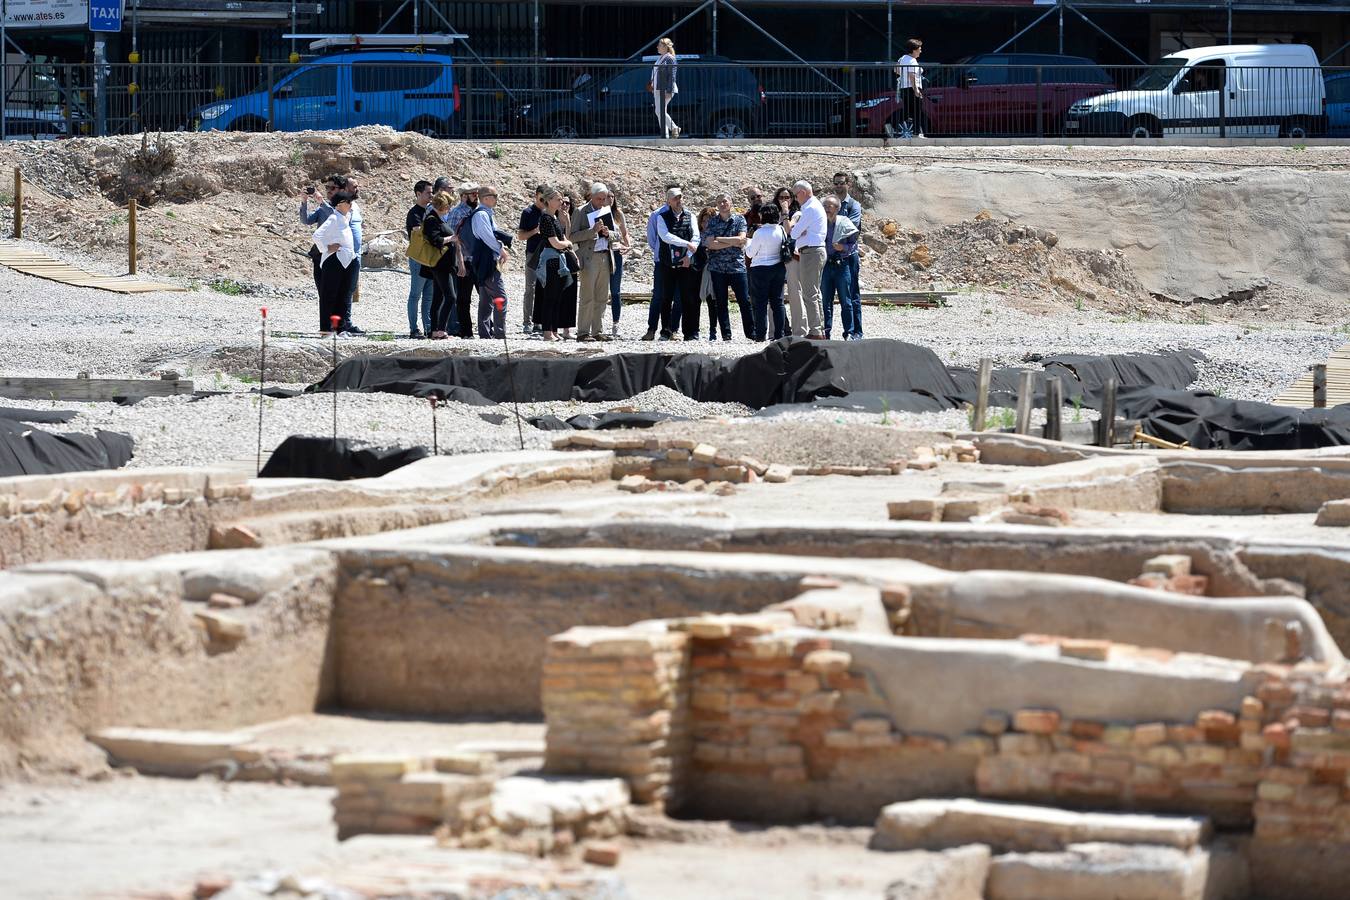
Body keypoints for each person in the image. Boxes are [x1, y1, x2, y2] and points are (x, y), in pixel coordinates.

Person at [570, 181, 617, 342]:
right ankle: (583, 332)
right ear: (592, 196)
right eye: (599, 199)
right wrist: (592, 232)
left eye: (604, 199)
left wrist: (608, 232)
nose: (602, 202)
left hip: (605, 256)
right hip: (589, 258)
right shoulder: (580, 211)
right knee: (587, 296)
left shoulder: (606, 210)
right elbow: (572, 236)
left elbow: (616, 235)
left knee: (602, 297)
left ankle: (597, 330)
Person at [702, 193, 750, 341]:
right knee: (721, 303)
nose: (722, 204)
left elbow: (742, 239)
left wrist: (720, 240)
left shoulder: (739, 219)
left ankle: (751, 333)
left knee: (744, 301)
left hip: (737, 266)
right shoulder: (712, 222)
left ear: (731, 202)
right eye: (719, 202)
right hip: (718, 268)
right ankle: (726, 335)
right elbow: (710, 244)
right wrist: (733, 241)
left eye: (725, 201)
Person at [654, 186, 700, 341]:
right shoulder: (662, 217)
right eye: (674, 198)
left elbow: (696, 237)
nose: (678, 200)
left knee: (688, 297)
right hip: (668, 263)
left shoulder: (690, 216)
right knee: (666, 298)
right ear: (668, 201)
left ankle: (690, 333)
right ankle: (665, 331)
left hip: (686, 263)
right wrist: (686, 244)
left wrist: (688, 255)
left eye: (680, 197)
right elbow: (666, 236)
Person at [534, 188, 578, 342]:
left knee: (557, 297)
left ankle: (553, 330)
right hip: (551, 261)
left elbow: (564, 237)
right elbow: (556, 243)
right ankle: (547, 332)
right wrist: (568, 243)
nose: (562, 202)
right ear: (549, 201)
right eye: (558, 199)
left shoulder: (553, 218)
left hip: (558, 260)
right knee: (550, 297)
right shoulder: (545, 218)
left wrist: (567, 223)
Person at [468, 184, 511, 339]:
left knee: (486, 299)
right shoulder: (481, 215)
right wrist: (500, 249)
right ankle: (500, 333)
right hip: (486, 262)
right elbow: (487, 236)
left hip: (484, 261)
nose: (497, 199)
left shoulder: (486, 214)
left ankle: (485, 333)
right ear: (486, 198)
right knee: (500, 297)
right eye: (495, 196)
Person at [312, 191, 356, 334]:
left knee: (343, 295)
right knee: (329, 295)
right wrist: (327, 247)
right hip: (334, 260)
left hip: (347, 260)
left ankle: (340, 328)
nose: (350, 205)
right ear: (339, 205)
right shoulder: (334, 218)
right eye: (347, 202)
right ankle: (326, 329)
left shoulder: (345, 217)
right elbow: (317, 235)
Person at [744, 203, 788, 342]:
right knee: (778, 302)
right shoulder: (780, 229)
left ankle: (761, 335)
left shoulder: (759, 232)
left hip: (760, 269)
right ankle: (779, 334)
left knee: (760, 303)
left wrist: (748, 241)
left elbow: (750, 254)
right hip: (778, 268)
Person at [790, 179, 827, 340]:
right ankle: (818, 328)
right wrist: (799, 230)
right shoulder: (813, 206)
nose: (795, 199)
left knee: (810, 294)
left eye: (796, 195)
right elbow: (798, 232)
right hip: (813, 251)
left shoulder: (810, 208)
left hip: (811, 252)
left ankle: (816, 331)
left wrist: (797, 228)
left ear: (803, 193)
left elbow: (793, 233)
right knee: (814, 293)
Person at [420, 191, 459, 340]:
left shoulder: (437, 218)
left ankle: (434, 330)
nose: (449, 209)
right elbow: (435, 240)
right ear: (443, 205)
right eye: (449, 205)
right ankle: (441, 329)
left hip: (443, 264)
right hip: (440, 265)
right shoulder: (432, 219)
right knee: (450, 297)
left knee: (438, 297)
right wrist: (452, 238)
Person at [821, 195, 860, 340]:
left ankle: (848, 332)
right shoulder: (820, 223)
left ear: (837, 208)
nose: (827, 209)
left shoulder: (845, 222)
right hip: (826, 265)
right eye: (825, 206)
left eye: (830, 206)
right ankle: (826, 332)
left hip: (842, 264)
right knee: (826, 301)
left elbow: (853, 243)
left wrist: (842, 247)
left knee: (846, 301)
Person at [300, 174, 346, 297]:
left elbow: (335, 215)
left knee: (333, 292)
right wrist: (304, 201)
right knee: (322, 290)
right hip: (320, 253)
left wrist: (321, 201)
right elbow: (306, 220)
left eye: (333, 188)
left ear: (341, 190)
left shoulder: (343, 207)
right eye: (327, 187)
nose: (329, 191)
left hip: (335, 255)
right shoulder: (323, 208)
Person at [642, 186, 675, 341]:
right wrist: (661, 251)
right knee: (658, 296)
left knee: (675, 296)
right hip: (661, 261)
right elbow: (652, 239)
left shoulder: (684, 215)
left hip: (678, 261)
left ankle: (670, 330)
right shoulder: (656, 215)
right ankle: (651, 329)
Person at [447, 182, 480, 337]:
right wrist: (459, 262)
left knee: (486, 296)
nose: (476, 197)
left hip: (479, 259)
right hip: (465, 260)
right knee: (463, 299)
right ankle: (466, 331)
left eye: (477, 194)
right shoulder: (457, 213)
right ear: (464, 196)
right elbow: (454, 239)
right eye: (473, 194)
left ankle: (487, 329)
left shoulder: (479, 211)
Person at [405, 179, 435, 338]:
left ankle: (429, 328)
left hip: (430, 258)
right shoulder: (414, 213)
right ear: (418, 194)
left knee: (429, 295)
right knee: (416, 294)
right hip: (418, 258)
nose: (431, 195)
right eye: (428, 192)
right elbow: (419, 233)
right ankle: (413, 329)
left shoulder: (429, 211)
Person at [517, 184, 548, 336]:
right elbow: (520, 236)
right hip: (533, 254)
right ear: (536, 196)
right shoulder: (528, 212)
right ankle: (527, 322)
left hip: (548, 254)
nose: (544, 201)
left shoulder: (549, 213)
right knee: (531, 289)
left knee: (545, 288)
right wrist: (535, 231)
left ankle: (540, 321)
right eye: (542, 198)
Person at [832, 172, 863, 307]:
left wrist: (831, 227)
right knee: (827, 296)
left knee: (851, 295)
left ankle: (856, 329)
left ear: (848, 184)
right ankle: (827, 328)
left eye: (841, 183)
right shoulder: (830, 204)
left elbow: (850, 228)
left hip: (848, 254)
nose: (838, 186)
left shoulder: (853, 205)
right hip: (831, 255)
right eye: (836, 183)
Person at [340, 177, 366, 335]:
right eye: (354, 187)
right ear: (345, 188)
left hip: (356, 254)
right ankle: (342, 322)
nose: (357, 189)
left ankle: (346, 322)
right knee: (344, 290)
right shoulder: (343, 206)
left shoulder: (354, 205)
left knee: (350, 289)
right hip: (346, 254)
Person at [606, 193, 632, 338]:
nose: (610, 199)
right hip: (602, 253)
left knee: (615, 290)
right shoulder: (597, 213)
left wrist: (628, 244)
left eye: (612, 196)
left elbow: (624, 232)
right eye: (607, 196)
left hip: (616, 253)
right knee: (601, 289)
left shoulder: (618, 213)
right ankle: (598, 322)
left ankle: (616, 323)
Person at [894, 38, 927, 139]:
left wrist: (903, 76)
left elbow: (896, 70)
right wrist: (916, 90)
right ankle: (917, 133)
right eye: (919, 49)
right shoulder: (912, 61)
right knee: (917, 111)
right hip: (912, 88)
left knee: (908, 111)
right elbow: (912, 76)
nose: (920, 51)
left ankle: (892, 123)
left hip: (904, 88)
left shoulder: (903, 58)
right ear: (914, 50)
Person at [651, 37, 680, 139]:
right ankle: (665, 135)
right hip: (658, 88)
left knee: (659, 111)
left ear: (665, 47)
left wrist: (669, 90)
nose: (657, 47)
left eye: (659, 45)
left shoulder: (669, 58)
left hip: (665, 89)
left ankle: (674, 128)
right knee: (660, 111)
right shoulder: (662, 57)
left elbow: (672, 75)